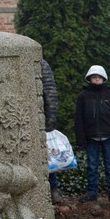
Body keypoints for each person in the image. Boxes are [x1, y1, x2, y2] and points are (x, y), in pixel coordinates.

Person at [74, 65, 110, 203]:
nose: (96, 80)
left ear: (104, 79)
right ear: (89, 79)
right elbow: (78, 119)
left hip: (109, 135)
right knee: (92, 165)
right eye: (94, 78)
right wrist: (81, 138)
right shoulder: (83, 96)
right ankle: (92, 192)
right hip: (91, 137)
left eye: (99, 78)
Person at [39, 58, 62, 205]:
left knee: (47, 159)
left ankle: (53, 190)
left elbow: (50, 93)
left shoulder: (41, 64)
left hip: (39, 122)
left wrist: (49, 122)